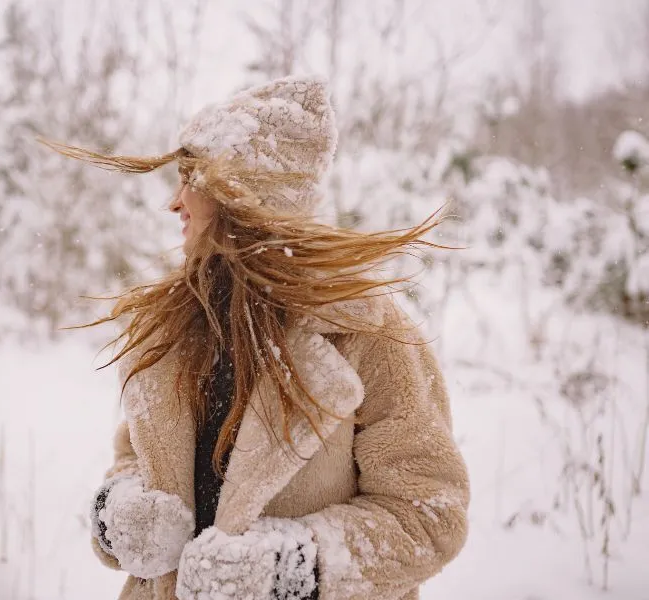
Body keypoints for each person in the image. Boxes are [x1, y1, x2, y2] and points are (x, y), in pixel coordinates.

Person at [44, 75, 469, 600]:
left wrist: (290, 568)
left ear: (245, 194)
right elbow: (133, 458)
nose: (175, 203)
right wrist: (121, 513)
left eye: (191, 179)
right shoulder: (175, 328)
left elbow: (429, 514)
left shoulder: (370, 336)